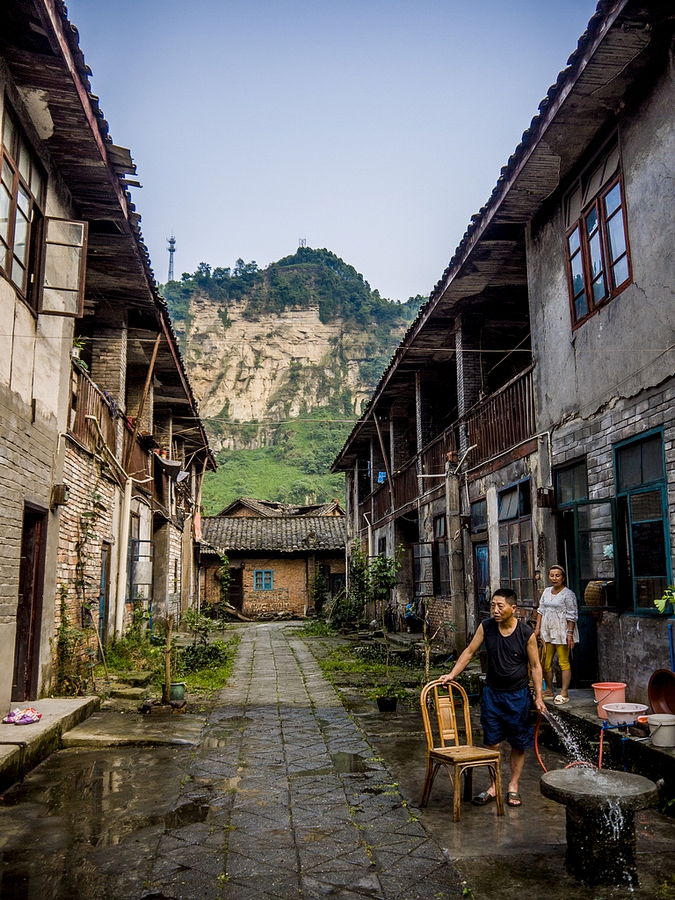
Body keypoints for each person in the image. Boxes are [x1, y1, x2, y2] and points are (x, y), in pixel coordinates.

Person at [440, 588, 545, 808]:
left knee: (518, 744)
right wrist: (452, 674)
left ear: (513, 609)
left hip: (518, 697)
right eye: (492, 606)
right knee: (492, 744)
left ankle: (513, 786)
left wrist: (539, 697)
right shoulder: (486, 627)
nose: (495, 611)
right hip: (492, 695)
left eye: (500, 606)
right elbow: (469, 652)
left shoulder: (526, 633)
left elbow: (535, 666)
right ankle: (493, 786)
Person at [534, 565, 579, 705]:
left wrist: (570, 633)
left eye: (557, 575)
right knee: (545, 662)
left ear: (563, 578)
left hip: (562, 631)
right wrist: (537, 628)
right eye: (552, 575)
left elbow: (572, 615)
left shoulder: (568, 594)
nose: (554, 578)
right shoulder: (547, 592)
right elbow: (540, 611)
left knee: (563, 661)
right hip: (547, 631)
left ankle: (564, 692)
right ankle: (548, 690)